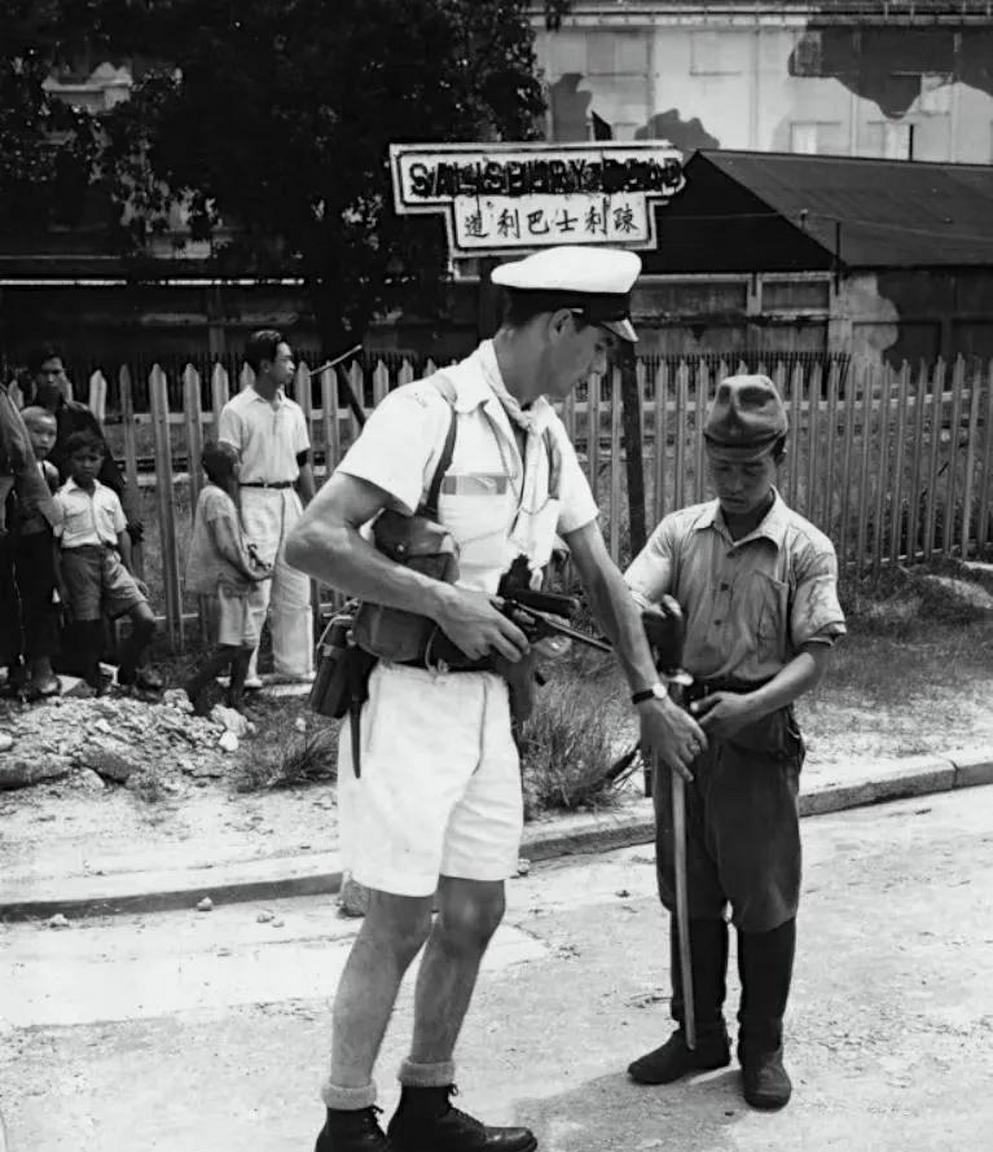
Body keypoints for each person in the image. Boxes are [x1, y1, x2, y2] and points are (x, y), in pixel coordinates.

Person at [284, 245, 707, 1152]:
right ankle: (345, 1119)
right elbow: (314, 540)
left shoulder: (543, 432)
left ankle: (426, 1104)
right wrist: (442, 599)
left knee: (476, 911)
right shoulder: (425, 412)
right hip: (404, 698)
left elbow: (597, 570)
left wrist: (645, 693)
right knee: (399, 918)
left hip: (488, 706)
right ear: (559, 326)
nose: (599, 365)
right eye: (597, 345)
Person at [623, 374, 847, 1111]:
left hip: (756, 740)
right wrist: (647, 623)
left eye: (750, 467)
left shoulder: (802, 548)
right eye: (722, 467)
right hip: (681, 735)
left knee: (762, 898)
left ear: (778, 455)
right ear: (705, 459)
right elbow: (630, 598)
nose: (736, 482)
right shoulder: (678, 531)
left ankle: (760, 1047)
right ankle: (697, 1034)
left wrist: (749, 704)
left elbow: (814, 654)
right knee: (686, 890)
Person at [218, 329, 315, 686]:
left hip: (288, 499)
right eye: (285, 359)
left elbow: (303, 462)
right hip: (253, 499)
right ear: (264, 365)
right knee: (256, 588)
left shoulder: (293, 410)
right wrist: (235, 515)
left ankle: (296, 668)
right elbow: (227, 467)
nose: (292, 365)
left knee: (295, 585)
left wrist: (312, 507)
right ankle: (246, 673)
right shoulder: (236, 410)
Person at [53, 430, 162, 694]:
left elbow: (121, 532)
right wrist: (61, 584)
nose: (87, 464)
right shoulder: (61, 498)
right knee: (89, 625)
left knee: (146, 619)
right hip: (78, 560)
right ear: (69, 461)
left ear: (102, 460)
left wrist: (131, 572)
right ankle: (94, 681)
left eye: (93, 458)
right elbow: (54, 545)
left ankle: (129, 665)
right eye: (80, 459)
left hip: (110, 558)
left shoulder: (109, 495)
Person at [183, 441, 273, 714]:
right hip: (225, 580)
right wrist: (250, 571)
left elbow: (236, 536)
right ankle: (191, 691)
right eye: (235, 460)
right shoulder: (217, 499)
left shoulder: (218, 495)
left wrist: (252, 552)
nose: (239, 464)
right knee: (232, 645)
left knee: (246, 643)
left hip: (232, 580)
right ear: (228, 467)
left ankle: (235, 698)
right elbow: (225, 544)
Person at [28, 345, 144, 544]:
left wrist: (126, 510)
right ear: (34, 377)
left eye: (56, 373)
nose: (50, 380)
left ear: (64, 375)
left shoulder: (79, 415)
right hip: (43, 510)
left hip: (81, 506)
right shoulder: (27, 418)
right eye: (44, 373)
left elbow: (105, 463)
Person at [0, 406, 62, 698]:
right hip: (10, 532)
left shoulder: (48, 472)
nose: (45, 439)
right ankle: (13, 665)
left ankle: (40, 665)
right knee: (7, 599)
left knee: (39, 597)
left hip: (34, 533)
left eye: (51, 434)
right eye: (38, 432)